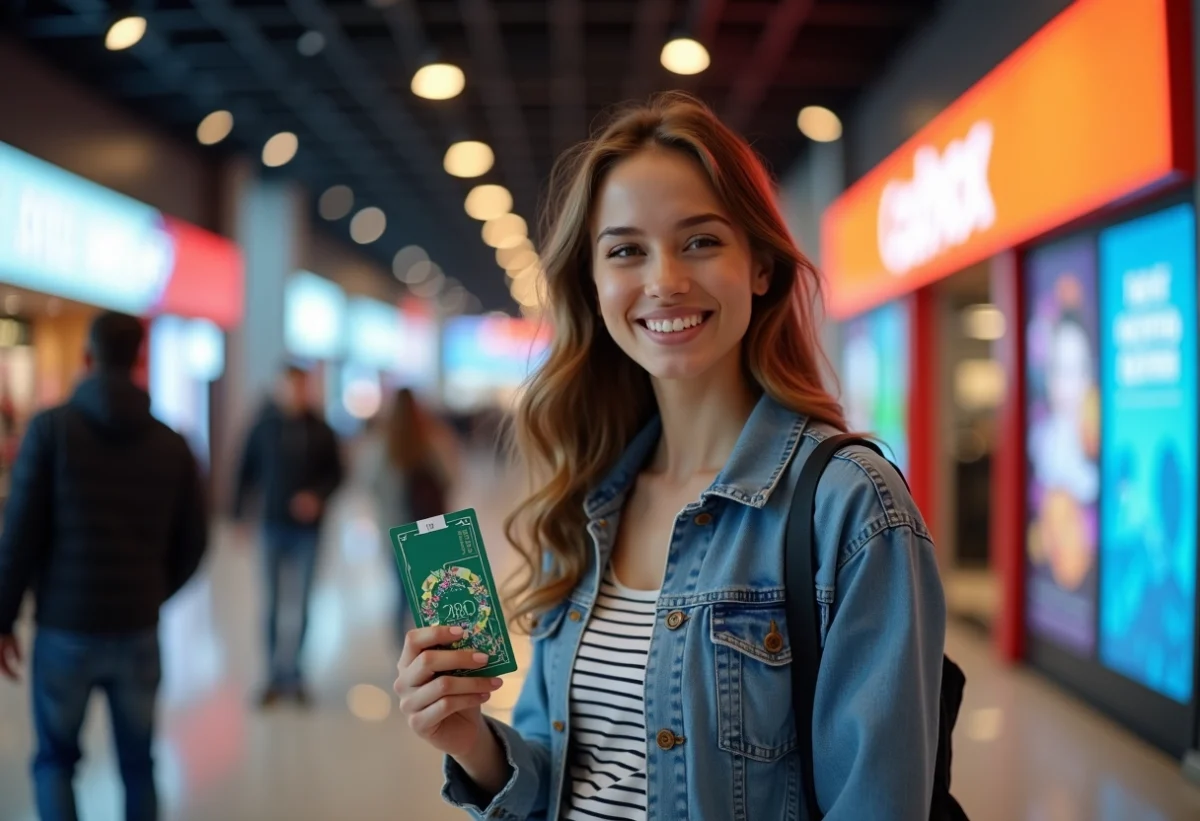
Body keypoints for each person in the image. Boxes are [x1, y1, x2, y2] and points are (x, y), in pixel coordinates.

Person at [394, 93, 946, 820]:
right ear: (593, 285)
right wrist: (471, 741)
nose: (664, 281)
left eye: (701, 241)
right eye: (626, 249)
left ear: (759, 266)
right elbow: (560, 773)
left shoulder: (851, 508)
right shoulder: (586, 500)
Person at [0, 311, 208, 821]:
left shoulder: (50, 431)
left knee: (55, 762)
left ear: (87, 358)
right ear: (140, 359)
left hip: (64, 629)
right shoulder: (172, 443)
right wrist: (151, 592)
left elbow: (19, 533)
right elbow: (196, 543)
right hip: (138, 629)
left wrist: (3, 617)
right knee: (139, 764)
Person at [233, 365, 343, 707]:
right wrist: (239, 514)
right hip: (271, 525)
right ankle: (272, 675)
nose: (294, 393)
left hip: (308, 532)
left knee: (303, 603)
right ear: (279, 388)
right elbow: (244, 470)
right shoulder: (263, 426)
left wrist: (318, 497)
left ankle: (294, 673)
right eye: (288, 387)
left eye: (299, 387)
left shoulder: (322, 429)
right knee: (272, 604)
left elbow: (338, 473)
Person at [365, 388, 456, 644]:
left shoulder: (382, 441)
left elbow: (370, 484)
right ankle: (430, 641)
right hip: (431, 526)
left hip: (395, 529)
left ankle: (403, 649)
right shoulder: (434, 437)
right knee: (429, 588)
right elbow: (450, 478)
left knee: (400, 591)